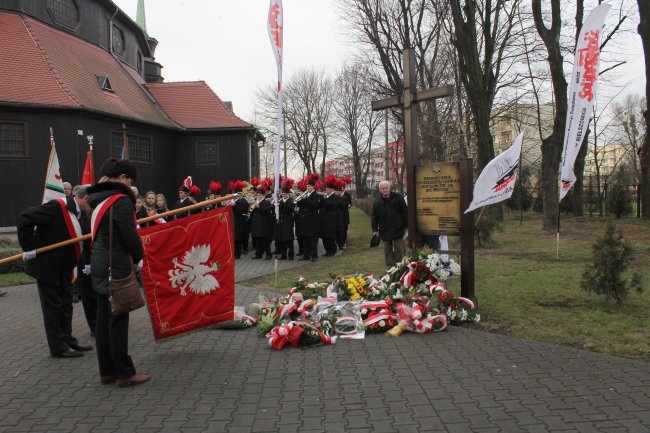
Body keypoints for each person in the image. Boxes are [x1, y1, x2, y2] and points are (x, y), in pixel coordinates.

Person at [86, 158, 149, 387]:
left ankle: (107, 371)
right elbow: (129, 234)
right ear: (121, 177)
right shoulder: (120, 201)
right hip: (117, 263)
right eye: (129, 179)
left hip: (101, 263)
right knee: (118, 318)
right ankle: (124, 373)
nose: (131, 184)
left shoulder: (96, 199)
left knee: (103, 319)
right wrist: (139, 257)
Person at [17, 183, 93, 358]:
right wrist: (29, 247)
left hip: (64, 269)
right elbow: (25, 218)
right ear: (84, 199)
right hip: (47, 268)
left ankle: (68, 341)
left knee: (66, 305)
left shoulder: (79, 213)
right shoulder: (57, 207)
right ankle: (58, 347)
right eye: (91, 204)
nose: (92, 208)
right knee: (53, 308)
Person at [72, 185, 97, 337]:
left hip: (94, 256)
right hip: (82, 258)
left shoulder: (91, 211)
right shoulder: (72, 210)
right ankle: (94, 326)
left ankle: (100, 322)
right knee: (88, 293)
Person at [371, 180, 408, 267]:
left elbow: (405, 212)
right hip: (385, 229)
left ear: (389, 188)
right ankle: (390, 268)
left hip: (397, 229)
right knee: (387, 250)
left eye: (386, 188)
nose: (385, 190)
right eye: (383, 188)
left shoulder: (398, 198)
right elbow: (374, 216)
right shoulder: (377, 202)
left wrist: (406, 225)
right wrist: (375, 229)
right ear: (380, 190)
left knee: (399, 249)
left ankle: (400, 267)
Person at [295, 176, 321, 262]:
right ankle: (306, 255)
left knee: (312, 239)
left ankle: (314, 255)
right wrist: (298, 199)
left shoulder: (316, 195)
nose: (307, 188)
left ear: (313, 187)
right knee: (305, 238)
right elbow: (300, 205)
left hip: (312, 219)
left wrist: (305, 198)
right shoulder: (305, 194)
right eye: (307, 186)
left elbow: (315, 205)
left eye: (309, 186)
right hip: (304, 220)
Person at [275, 179, 296, 260]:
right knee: (282, 239)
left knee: (289, 240)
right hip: (281, 222)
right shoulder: (279, 201)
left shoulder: (291, 201)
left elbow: (290, 210)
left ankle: (291, 255)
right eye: (282, 194)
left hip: (288, 222)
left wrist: (282, 204)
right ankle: (283, 255)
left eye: (285, 194)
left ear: (288, 194)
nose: (283, 195)